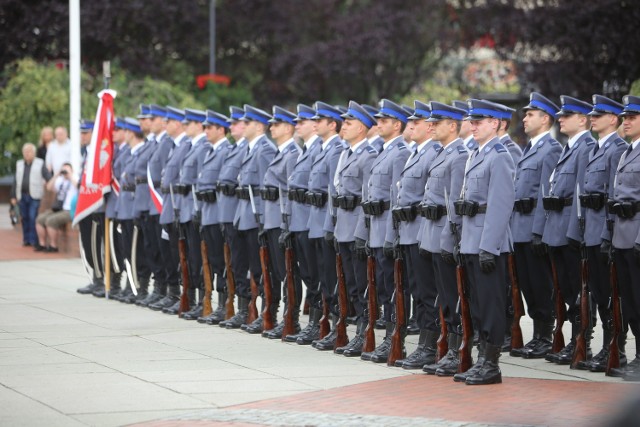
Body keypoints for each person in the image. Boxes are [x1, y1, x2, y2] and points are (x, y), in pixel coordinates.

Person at [458, 99, 515, 385]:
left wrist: (488, 246)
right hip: (470, 239)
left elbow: (500, 205)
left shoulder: (499, 155)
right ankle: (481, 359)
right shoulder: (475, 153)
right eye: (472, 121)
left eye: (479, 121)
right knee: (478, 304)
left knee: (491, 305)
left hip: (486, 243)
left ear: (495, 123)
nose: (473, 126)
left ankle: (491, 365)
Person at [575, 95, 627, 371]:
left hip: (605, 233)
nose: (592, 118)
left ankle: (615, 348)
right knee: (597, 291)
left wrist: (608, 236)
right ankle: (605, 348)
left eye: (599, 115)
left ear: (613, 119)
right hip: (591, 233)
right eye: (592, 115)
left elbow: (612, 195)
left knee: (609, 294)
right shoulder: (596, 149)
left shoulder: (616, 149)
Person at [542, 96, 596, 365]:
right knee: (565, 288)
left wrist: (575, 233)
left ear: (583, 120)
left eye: (567, 115)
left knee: (578, 290)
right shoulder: (569, 147)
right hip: (557, 228)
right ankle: (574, 341)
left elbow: (580, 193)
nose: (560, 118)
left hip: (570, 231)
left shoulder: (586, 147)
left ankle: (581, 342)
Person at [510, 92, 562, 359]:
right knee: (528, 286)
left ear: (545, 119)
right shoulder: (528, 148)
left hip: (533, 228)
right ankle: (538, 336)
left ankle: (545, 336)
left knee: (541, 285)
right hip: (519, 227)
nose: (525, 119)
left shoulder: (551, 149)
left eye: (530, 114)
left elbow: (546, 192)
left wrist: (539, 231)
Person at [609, 95, 640, 381]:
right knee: (629, 300)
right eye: (625, 117)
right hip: (622, 236)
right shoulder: (627, 152)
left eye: (632, 117)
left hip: (636, 238)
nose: (626, 121)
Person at [10, 142, 49, 246]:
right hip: (22, 195)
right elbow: (15, 181)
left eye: (29, 151)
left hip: (34, 196)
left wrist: (50, 182)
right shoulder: (19, 164)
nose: (27, 153)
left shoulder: (40, 163)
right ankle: (26, 239)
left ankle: (33, 240)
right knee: (24, 218)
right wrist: (13, 196)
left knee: (33, 217)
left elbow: (47, 176)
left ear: (34, 152)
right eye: (25, 152)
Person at [34, 162, 78, 252]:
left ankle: (53, 246)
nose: (64, 172)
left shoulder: (75, 178)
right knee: (40, 219)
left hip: (69, 210)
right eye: (63, 169)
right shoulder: (60, 180)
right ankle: (42, 244)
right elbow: (49, 187)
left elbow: (78, 187)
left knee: (51, 220)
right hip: (58, 208)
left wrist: (70, 175)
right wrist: (57, 174)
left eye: (66, 169)